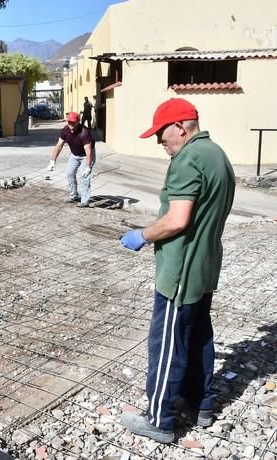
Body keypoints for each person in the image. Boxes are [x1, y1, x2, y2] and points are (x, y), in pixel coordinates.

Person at [119, 98, 235, 443]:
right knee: (198, 337)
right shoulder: (217, 154)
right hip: (205, 266)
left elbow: (177, 219)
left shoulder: (188, 159)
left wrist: (143, 234)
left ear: (180, 128)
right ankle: (200, 404)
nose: (160, 142)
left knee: (167, 343)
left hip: (181, 273)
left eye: (161, 134)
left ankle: (160, 420)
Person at [46, 112, 95, 208]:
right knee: (69, 173)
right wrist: (52, 161)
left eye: (73, 122)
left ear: (78, 121)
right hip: (74, 154)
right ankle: (74, 195)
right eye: (69, 122)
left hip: (86, 155)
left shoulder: (84, 132)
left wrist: (88, 167)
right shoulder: (65, 130)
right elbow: (59, 146)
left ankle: (85, 200)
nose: (71, 124)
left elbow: (88, 151)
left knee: (84, 176)